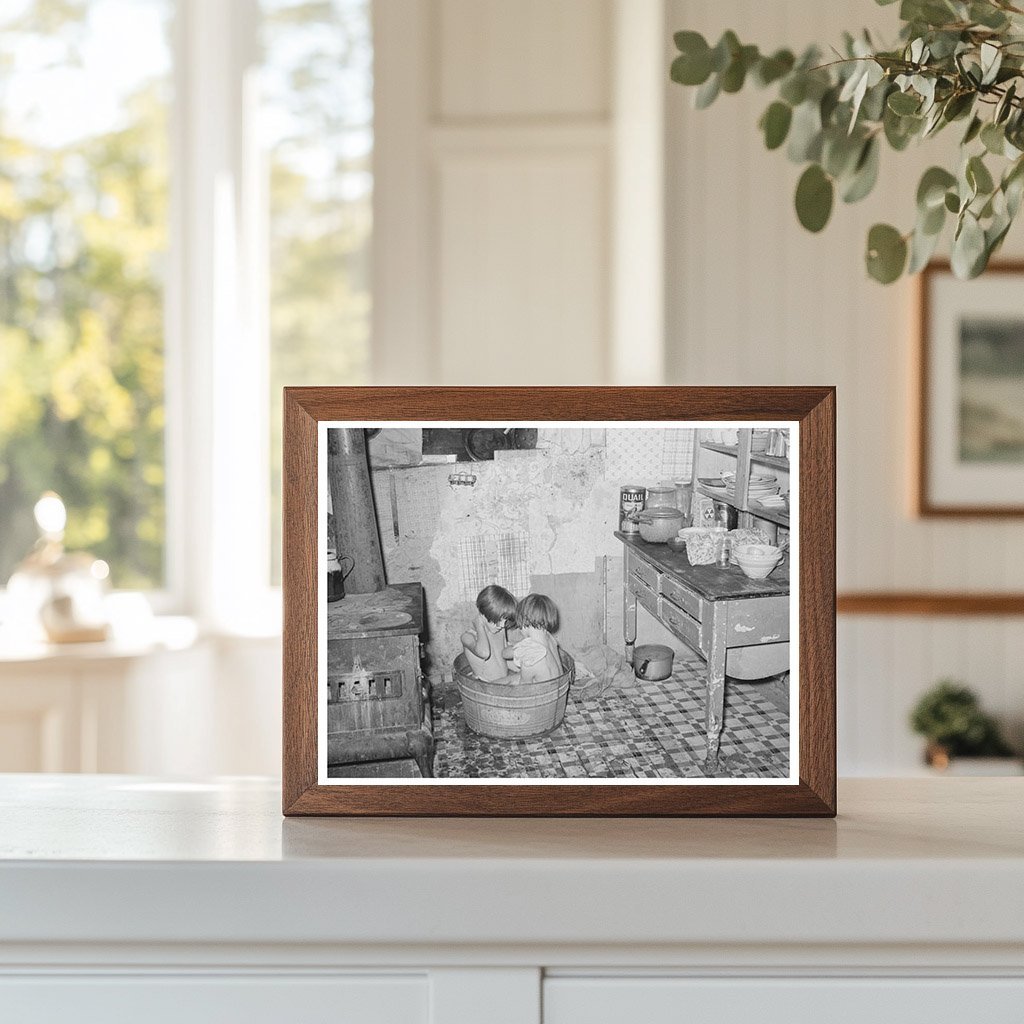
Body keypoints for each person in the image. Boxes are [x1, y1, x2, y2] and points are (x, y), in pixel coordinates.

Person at [460, 584, 517, 681]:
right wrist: (479, 625)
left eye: (505, 620)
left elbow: (503, 657)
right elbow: (484, 653)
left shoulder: (500, 631)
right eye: (498, 621)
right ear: (482, 615)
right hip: (484, 686)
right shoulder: (468, 637)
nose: (503, 625)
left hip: (503, 682)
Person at [505, 593, 563, 685]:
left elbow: (523, 690)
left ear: (523, 621)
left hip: (540, 697)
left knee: (498, 686)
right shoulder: (550, 639)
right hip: (558, 691)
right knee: (511, 678)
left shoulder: (531, 657)